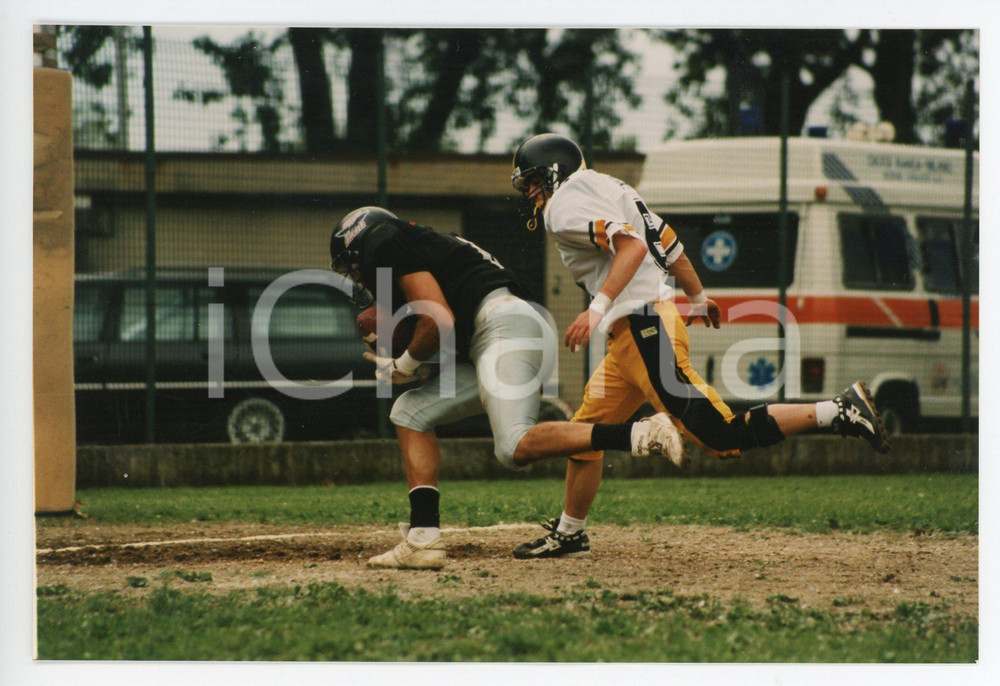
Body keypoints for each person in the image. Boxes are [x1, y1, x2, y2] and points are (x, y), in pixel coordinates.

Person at [508, 132, 891, 559]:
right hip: (635, 333)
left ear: (553, 173)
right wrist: (696, 297)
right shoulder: (613, 186)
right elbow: (668, 243)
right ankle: (570, 531)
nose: (532, 193)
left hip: (643, 328)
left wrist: (596, 308)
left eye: (533, 182)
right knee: (582, 433)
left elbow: (633, 247)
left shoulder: (563, 206)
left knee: (722, 437)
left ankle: (837, 410)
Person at [328, 206, 687, 569]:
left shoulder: (384, 241)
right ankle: (423, 538)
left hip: (504, 327)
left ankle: (639, 432)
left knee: (513, 445)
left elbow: (437, 318)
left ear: (359, 240)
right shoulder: (424, 243)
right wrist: (416, 365)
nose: (358, 276)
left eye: (352, 266)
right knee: (409, 412)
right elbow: (449, 326)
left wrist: (402, 364)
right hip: (502, 330)